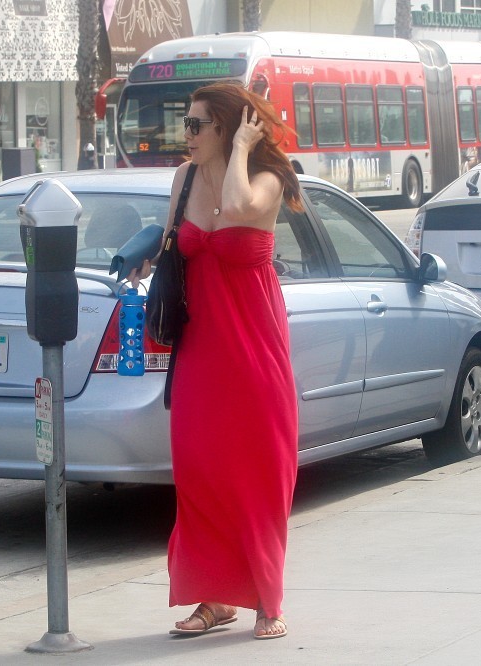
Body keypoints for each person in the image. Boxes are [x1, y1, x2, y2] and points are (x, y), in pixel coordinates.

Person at [128, 81, 303, 640]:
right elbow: (174, 238)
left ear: (226, 128)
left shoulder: (267, 179)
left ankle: (267, 601)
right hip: (200, 349)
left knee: (257, 474)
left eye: (196, 124)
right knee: (201, 473)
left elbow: (237, 208)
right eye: (186, 123)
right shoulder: (183, 178)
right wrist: (145, 256)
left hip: (254, 350)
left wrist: (244, 150)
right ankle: (214, 598)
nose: (186, 133)